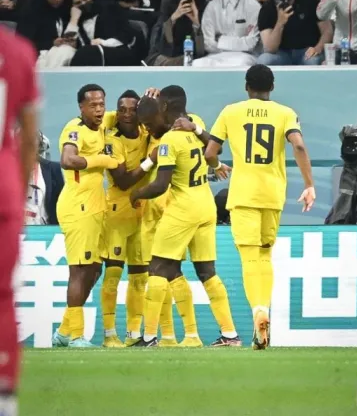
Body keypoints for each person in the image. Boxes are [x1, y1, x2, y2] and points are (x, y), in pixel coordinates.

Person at [203, 65, 315, 349]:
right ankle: (264, 309)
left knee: (250, 258)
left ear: (246, 87)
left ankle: (258, 311)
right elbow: (299, 146)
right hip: (273, 195)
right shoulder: (285, 113)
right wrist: (308, 184)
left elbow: (210, 153)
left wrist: (217, 167)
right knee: (265, 256)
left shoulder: (231, 111)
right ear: (272, 88)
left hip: (243, 195)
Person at [132, 86, 241, 347]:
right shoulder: (197, 124)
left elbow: (160, 185)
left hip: (183, 207)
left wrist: (136, 194)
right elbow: (213, 149)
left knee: (157, 268)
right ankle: (230, 335)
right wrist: (214, 163)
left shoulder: (170, 140)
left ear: (165, 107)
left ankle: (148, 337)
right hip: (205, 205)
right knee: (207, 272)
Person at [51, 84, 119, 348]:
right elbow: (68, 160)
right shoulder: (75, 130)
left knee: (93, 269)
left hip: (96, 206)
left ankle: (65, 331)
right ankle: (77, 335)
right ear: (81, 107)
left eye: (102, 104)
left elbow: (129, 112)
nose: (99, 109)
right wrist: (100, 161)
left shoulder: (103, 123)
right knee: (79, 271)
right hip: (78, 206)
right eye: (93, 105)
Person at [0, 26, 40, 416]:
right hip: (3, 190)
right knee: (2, 300)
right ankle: (5, 396)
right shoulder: (17, 51)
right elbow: (29, 136)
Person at [99, 90, 154, 348]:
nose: (128, 114)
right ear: (117, 112)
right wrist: (148, 162)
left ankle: (133, 334)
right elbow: (121, 182)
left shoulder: (146, 132)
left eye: (133, 110)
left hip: (142, 212)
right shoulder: (113, 140)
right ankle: (110, 334)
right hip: (117, 212)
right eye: (122, 110)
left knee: (140, 277)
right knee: (112, 275)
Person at [26, 130, 64, 225]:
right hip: (16, 231)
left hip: (47, 231)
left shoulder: (53, 169)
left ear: (39, 146)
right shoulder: (7, 171)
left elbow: (61, 202)